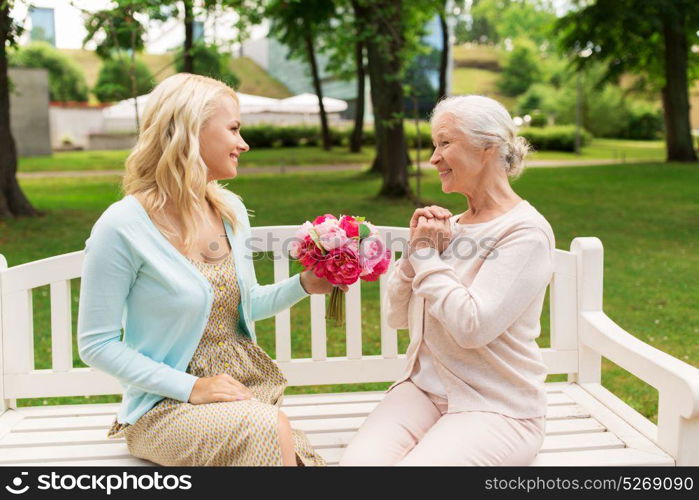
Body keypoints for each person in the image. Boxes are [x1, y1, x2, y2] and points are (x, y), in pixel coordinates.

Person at [77, 73, 346, 466]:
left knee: (281, 443)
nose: (243, 144)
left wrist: (304, 283)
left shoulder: (229, 210)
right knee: (266, 431)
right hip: (163, 409)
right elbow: (96, 344)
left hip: (243, 393)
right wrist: (192, 387)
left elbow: (243, 304)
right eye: (233, 129)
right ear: (190, 132)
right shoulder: (122, 225)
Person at [340, 95, 555, 466]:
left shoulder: (525, 233)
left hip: (497, 406)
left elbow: (472, 326)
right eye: (434, 145)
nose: (433, 158)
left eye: (445, 143)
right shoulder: (447, 228)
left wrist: (425, 256)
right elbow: (396, 317)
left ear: (487, 146)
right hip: (423, 392)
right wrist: (413, 255)